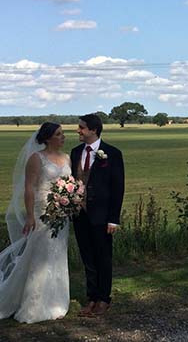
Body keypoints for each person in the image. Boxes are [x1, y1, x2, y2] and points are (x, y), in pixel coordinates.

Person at [0, 122, 71, 323]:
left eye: (63, 134)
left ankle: (56, 300)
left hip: (62, 215)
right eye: (59, 134)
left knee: (58, 254)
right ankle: (35, 303)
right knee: (40, 255)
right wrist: (30, 216)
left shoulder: (66, 158)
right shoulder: (36, 158)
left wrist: (72, 199)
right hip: (42, 214)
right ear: (48, 138)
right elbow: (29, 188)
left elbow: (70, 184)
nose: (63, 137)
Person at [71, 114, 124, 317]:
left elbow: (117, 188)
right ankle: (91, 298)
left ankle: (104, 299)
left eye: (81, 127)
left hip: (102, 217)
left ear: (93, 130)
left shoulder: (112, 153)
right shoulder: (76, 152)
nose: (78, 131)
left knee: (103, 258)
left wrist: (113, 219)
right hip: (80, 215)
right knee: (88, 258)